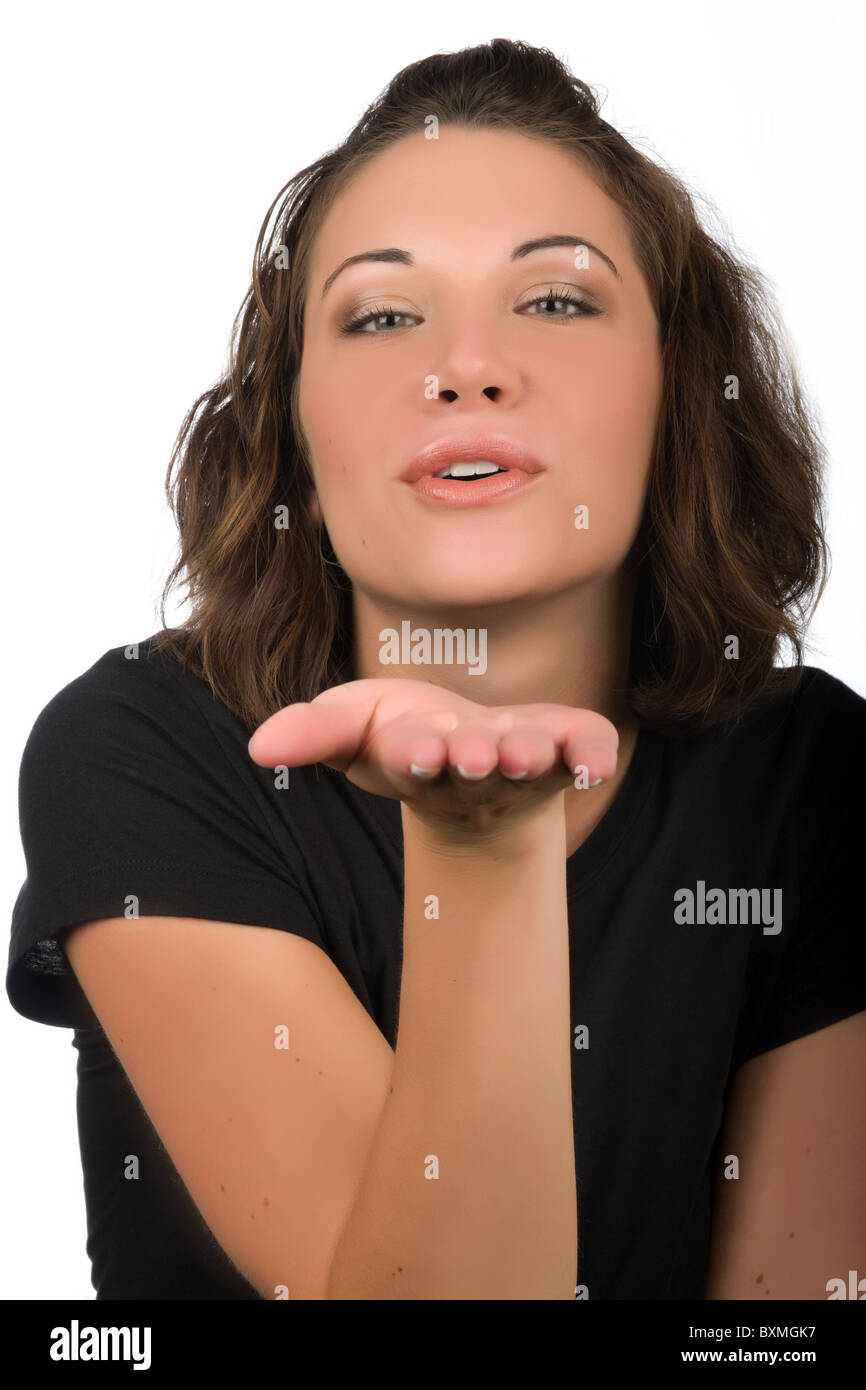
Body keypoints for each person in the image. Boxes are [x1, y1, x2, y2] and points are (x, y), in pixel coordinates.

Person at [7, 37, 865, 1301]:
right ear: (293, 427)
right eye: (383, 314)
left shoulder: (809, 776)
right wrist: (481, 847)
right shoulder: (137, 748)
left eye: (557, 300)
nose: (463, 365)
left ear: (679, 392)